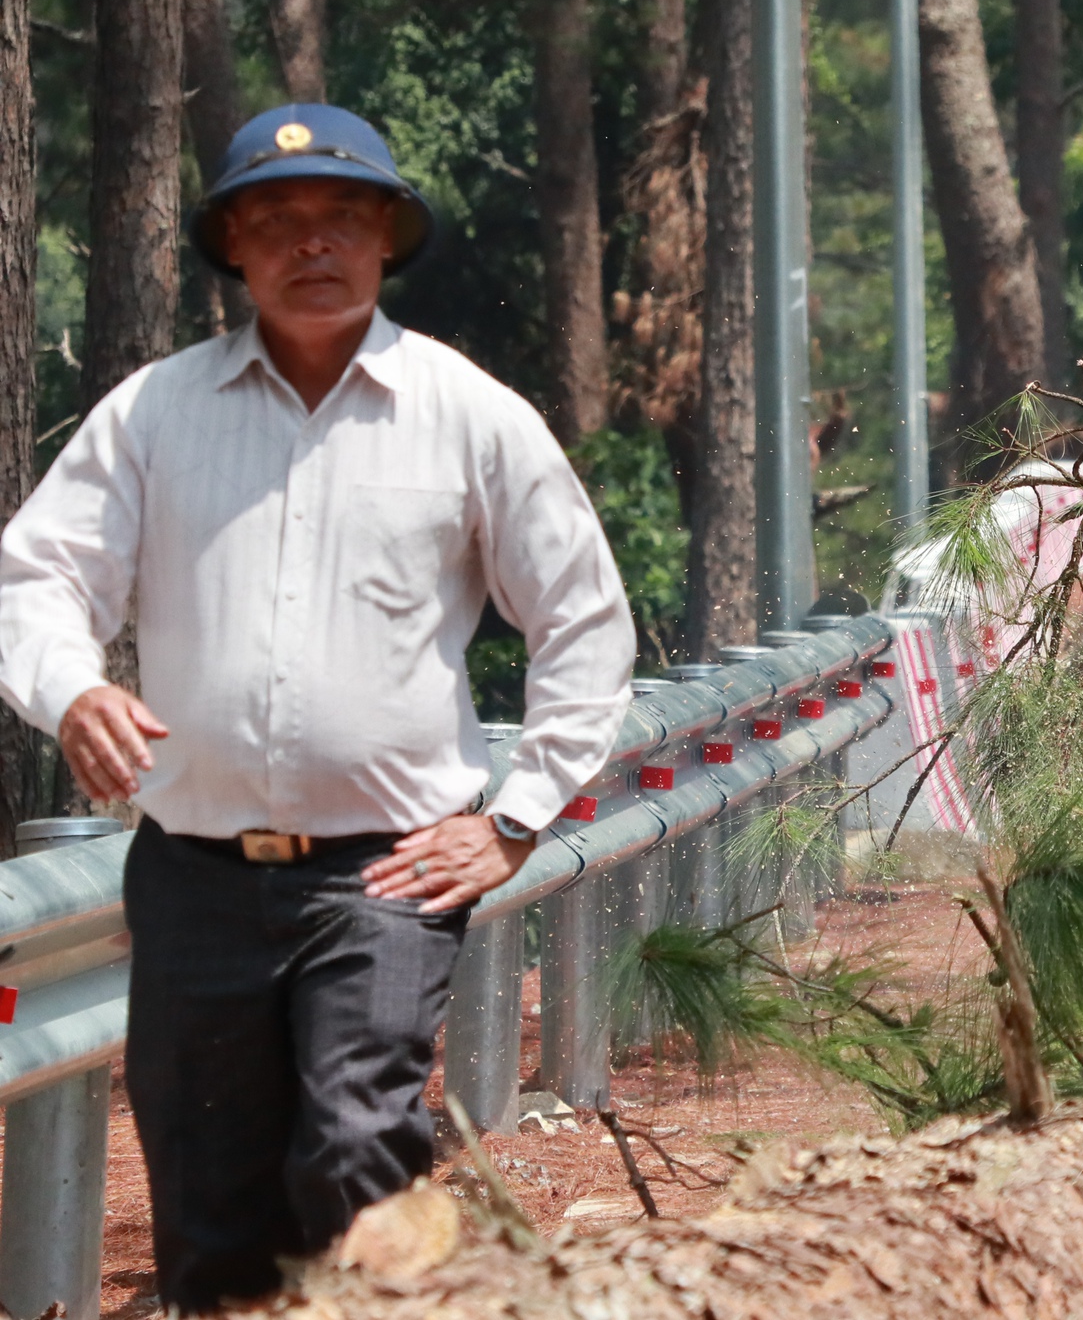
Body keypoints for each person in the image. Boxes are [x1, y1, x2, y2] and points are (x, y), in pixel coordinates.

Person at [0, 105, 635, 1309]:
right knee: (209, 1210)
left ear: (388, 238)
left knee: (357, 1151)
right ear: (231, 246)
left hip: (384, 877)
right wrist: (70, 687)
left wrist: (515, 818)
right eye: (277, 221)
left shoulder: (465, 412)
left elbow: (583, 619)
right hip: (191, 874)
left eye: (344, 217)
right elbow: (34, 577)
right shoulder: (154, 414)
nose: (313, 243)